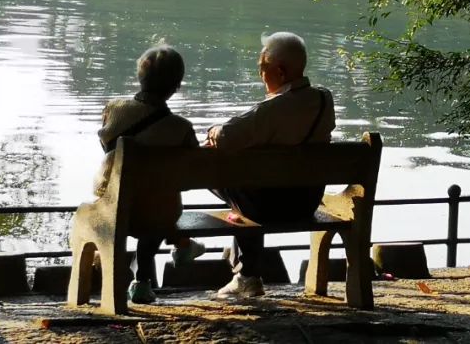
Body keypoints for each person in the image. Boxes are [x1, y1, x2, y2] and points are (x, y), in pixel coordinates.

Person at [204, 32, 335, 299]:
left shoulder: (274, 110)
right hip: (306, 202)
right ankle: (244, 268)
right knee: (247, 184)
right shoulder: (324, 100)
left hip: (269, 208)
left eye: (262, 68)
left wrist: (213, 130)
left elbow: (227, 135)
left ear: (281, 71)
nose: (260, 75)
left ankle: (247, 275)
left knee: (212, 168)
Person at [95, 45, 205, 304]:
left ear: (139, 78)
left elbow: (105, 146)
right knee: (158, 209)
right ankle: (146, 278)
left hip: (114, 204)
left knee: (143, 203)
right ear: (177, 86)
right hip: (160, 213)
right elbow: (194, 170)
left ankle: (182, 246)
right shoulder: (181, 127)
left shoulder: (113, 109)